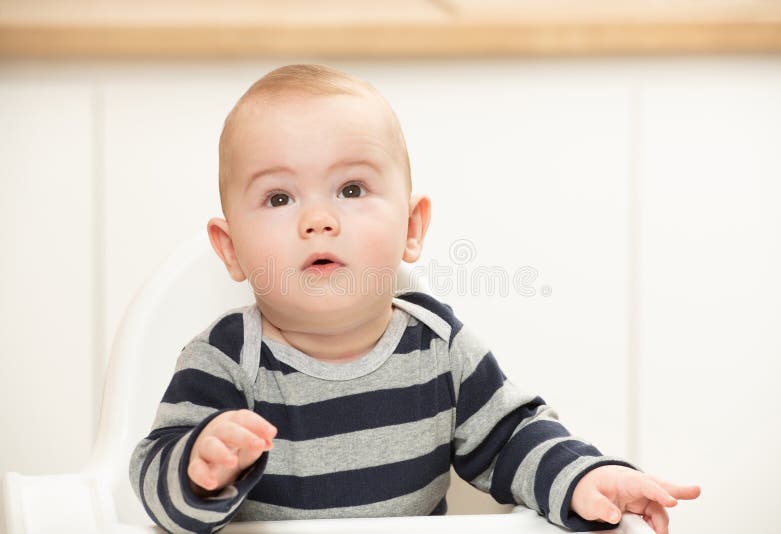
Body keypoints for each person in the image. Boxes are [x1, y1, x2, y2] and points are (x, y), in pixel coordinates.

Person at [129, 64, 700, 534]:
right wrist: (199, 467)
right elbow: (153, 480)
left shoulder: (439, 348)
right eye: (279, 197)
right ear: (230, 249)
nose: (318, 220)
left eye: (351, 189)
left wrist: (584, 479)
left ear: (411, 227)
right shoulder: (227, 361)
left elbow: (512, 440)